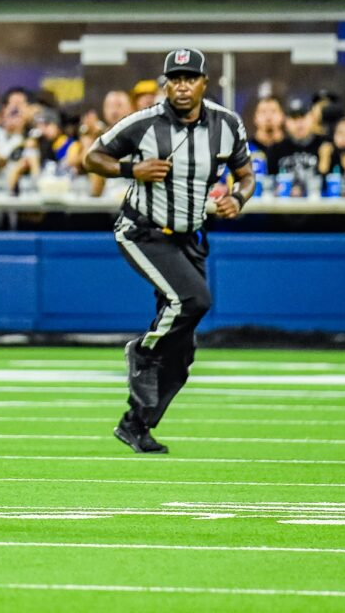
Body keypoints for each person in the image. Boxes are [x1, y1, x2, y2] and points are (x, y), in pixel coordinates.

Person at [83, 48, 254, 454]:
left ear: (203, 83)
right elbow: (93, 157)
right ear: (165, 84)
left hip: (188, 236)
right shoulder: (144, 123)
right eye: (174, 78)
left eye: (189, 78)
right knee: (193, 300)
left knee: (182, 354)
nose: (181, 85)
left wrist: (239, 199)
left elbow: (245, 176)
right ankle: (141, 351)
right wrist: (131, 170)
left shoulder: (226, 125)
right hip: (141, 230)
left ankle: (135, 424)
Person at [270, 98, 332, 196]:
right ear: (286, 122)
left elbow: (333, 186)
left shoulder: (324, 145)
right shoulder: (276, 149)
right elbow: (268, 184)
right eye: (294, 118)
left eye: (303, 117)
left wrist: (324, 163)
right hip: (285, 208)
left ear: (312, 118)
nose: (299, 124)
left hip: (316, 208)